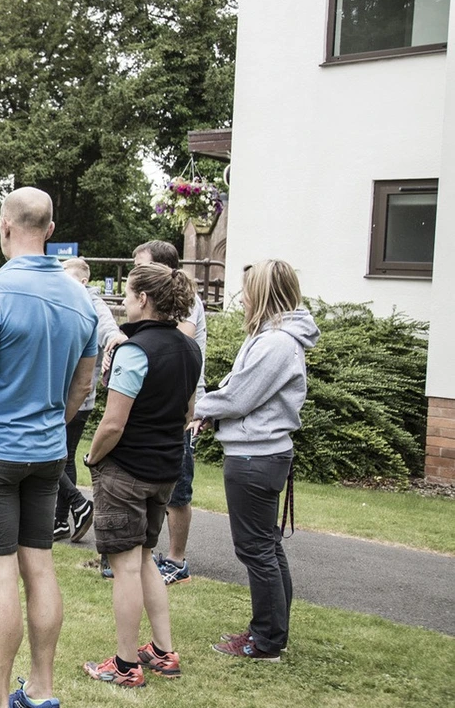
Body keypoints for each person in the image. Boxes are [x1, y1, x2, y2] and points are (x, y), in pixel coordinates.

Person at [0, 188, 97, 708]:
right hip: (49, 451)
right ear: (50, 230)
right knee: (40, 565)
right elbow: (81, 386)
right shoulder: (81, 297)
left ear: (6, 225)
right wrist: (52, 424)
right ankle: (43, 692)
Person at [79, 263, 203, 688]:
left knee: (126, 565)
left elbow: (113, 423)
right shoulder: (190, 348)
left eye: (128, 295)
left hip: (127, 469)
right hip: (166, 467)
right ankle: (164, 652)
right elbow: (189, 413)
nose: (125, 303)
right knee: (146, 556)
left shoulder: (134, 350)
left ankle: (126, 664)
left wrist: (92, 457)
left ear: (143, 300)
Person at [196, 259, 317, 662]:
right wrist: (211, 412)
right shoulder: (272, 339)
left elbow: (239, 396)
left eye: (247, 290)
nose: (242, 297)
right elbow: (239, 391)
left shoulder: (276, 343)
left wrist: (195, 408)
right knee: (266, 548)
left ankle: (266, 641)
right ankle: (270, 633)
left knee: (257, 550)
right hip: (260, 454)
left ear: (263, 293)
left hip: (255, 457)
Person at [54, 258, 117, 543]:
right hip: (74, 396)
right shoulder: (69, 300)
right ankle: (60, 521)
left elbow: (107, 325)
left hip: (75, 398)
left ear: (81, 281)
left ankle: (78, 505)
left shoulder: (90, 299)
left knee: (48, 455)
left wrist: (115, 338)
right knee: (62, 454)